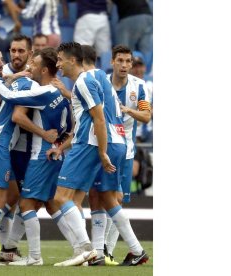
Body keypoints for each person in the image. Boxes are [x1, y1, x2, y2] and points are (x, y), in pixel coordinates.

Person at [0, 47, 72, 266]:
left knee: (26, 204)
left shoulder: (41, 91)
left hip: (40, 154)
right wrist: (61, 144)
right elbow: (72, 125)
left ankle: (34, 256)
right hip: (50, 152)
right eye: (12, 50)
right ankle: (84, 247)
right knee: (52, 203)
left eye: (33, 62)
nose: (28, 66)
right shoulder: (58, 92)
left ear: (43, 69)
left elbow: (11, 101)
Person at [47, 42, 115, 267]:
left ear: (72, 60)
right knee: (74, 201)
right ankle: (82, 252)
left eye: (60, 60)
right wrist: (61, 147)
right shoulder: (83, 83)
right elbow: (84, 122)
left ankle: (89, 249)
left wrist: (103, 152)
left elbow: (99, 118)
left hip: (87, 146)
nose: (57, 65)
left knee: (60, 198)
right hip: (86, 144)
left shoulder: (84, 81)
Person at [103, 44, 151, 265]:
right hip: (102, 145)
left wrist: (127, 110)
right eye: (119, 60)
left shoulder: (139, 87)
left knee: (117, 199)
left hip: (126, 148)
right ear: (112, 61)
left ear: (131, 64)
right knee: (102, 195)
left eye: (127, 61)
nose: (124, 65)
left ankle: (107, 249)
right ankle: (100, 247)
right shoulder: (101, 81)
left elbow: (146, 116)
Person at [110, 0, 153, 71]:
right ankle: (146, 74)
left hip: (128, 17)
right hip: (147, 15)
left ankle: (124, 75)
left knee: (123, 50)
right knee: (146, 50)